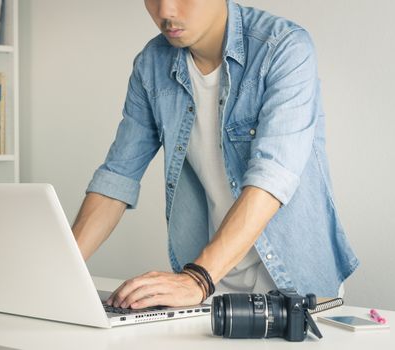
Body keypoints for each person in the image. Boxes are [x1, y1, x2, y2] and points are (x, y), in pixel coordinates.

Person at [72, 0, 359, 310]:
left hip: (294, 285)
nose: (165, 11)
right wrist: (60, 268)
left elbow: (271, 179)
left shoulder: (284, 47)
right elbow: (117, 177)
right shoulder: (151, 64)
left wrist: (197, 279)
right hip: (211, 290)